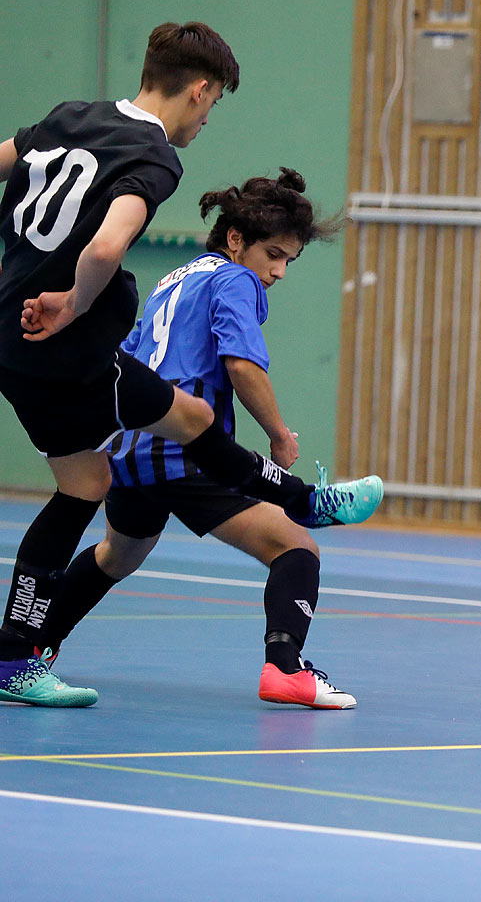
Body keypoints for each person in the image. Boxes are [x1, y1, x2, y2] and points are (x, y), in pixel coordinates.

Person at [0, 22, 383, 708]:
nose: (208, 119)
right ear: (199, 90)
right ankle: (306, 507)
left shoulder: (72, 118)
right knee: (202, 425)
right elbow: (104, 249)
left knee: (88, 488)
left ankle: (16, 655)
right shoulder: (155, 157)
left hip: (10, 333)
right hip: (70, 343)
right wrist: (73, 303)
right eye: (214, 105)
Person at [38, 169, 356, 708]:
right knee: (296, 545)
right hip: (187, 448)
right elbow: (241, 364)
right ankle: (286, 670)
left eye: (288, 261)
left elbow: (130, 359)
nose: (277, 272)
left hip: (132, 449)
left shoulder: (174, 280)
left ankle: (34, 649)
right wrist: (278, 436)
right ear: (236, 239)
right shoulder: (237, 281)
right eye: (273, 254)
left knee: (118, 553)